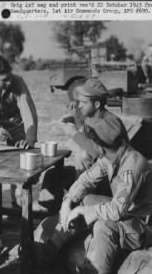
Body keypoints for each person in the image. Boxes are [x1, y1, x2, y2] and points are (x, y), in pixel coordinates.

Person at [35, 116, 152, 274]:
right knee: (86, 199)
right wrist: (67, 202)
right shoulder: (112, 155)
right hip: (129, 212)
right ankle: (53, 246)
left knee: (103, 226)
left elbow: (116, 211)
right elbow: (86, 180)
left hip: (146, 224)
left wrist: (84, 212)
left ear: (99, 145)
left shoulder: (133, 166)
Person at [37, 78, 129, 213]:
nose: (79, 105)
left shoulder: (110, 123)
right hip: (92, 175)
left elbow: (97, 153)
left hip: (109, 183)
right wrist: (74, 119)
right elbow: (85, 141)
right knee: (52, 175)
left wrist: (74, 134)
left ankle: (74, 214)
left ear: (97, 104)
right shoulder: (92, 119)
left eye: (84, 102)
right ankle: (54, 215)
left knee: (84, 197)